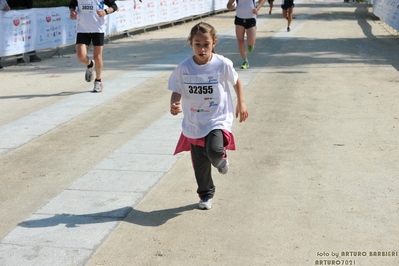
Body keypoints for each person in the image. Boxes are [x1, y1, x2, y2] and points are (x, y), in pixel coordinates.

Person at [168, 22, 249, 210]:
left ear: (214, 43)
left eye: (206, 44)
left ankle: (220, 158)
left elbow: (236, 81)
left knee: (213, 150)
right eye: (197, 44)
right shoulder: (184, 68)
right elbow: (176, 89)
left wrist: (241, 102)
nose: (202, 48)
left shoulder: (222, 64)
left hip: (217, 118)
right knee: (200, 165)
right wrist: (174, 103)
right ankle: (205, 194)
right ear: (190, 43)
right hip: (194, 122)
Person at [69, 0, 118, 93]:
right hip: (82, 30)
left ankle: (98, 81)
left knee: (98, 57)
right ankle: (90, 64)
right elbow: (72, 4)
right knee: (80, 56)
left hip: (98, 30)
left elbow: (114, 6)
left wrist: (105, 11)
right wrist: (72, 12)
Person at [227, 0, 265, 69]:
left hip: (251, 17)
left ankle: (251, 44)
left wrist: (257, 7)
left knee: (251, 42)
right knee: (240, 41)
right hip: (239, 18)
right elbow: (229, 4)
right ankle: (245, 61)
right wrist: (230, 7)